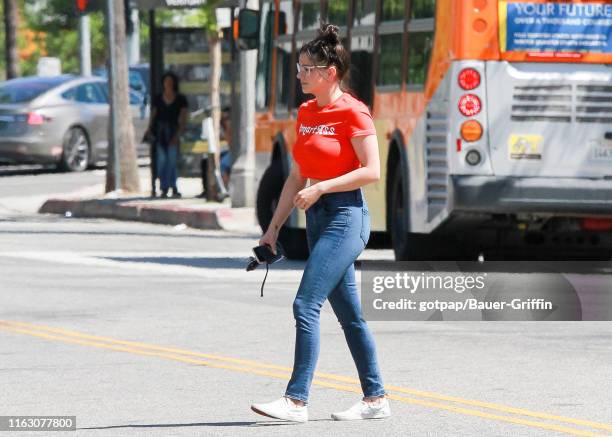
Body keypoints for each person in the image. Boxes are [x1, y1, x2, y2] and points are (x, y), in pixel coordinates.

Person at [250, 23, 390, 422]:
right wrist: (273, 227)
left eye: (307, 68)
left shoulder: (354, 111)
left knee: (305, 303)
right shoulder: (308, 112)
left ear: (330, 73)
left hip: (347, 217)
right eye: (299, 67)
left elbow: (372, 170)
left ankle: (296, 401)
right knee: (350, 315)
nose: (299, 74)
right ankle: (376, 398)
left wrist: (323, 188)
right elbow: (297, 174)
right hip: (318, 218)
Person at [144, 71, 188, 198]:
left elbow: (183, 118)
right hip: (160, 133)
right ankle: (163, 187)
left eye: (170, 81)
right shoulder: (158, 98)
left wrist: (178, 134)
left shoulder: (180, 99)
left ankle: (173, 186)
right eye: (166, 81)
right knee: (162, 161)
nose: (168, 84)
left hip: (173, 131)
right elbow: (153, 115)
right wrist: (149, 129)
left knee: (172, 161)